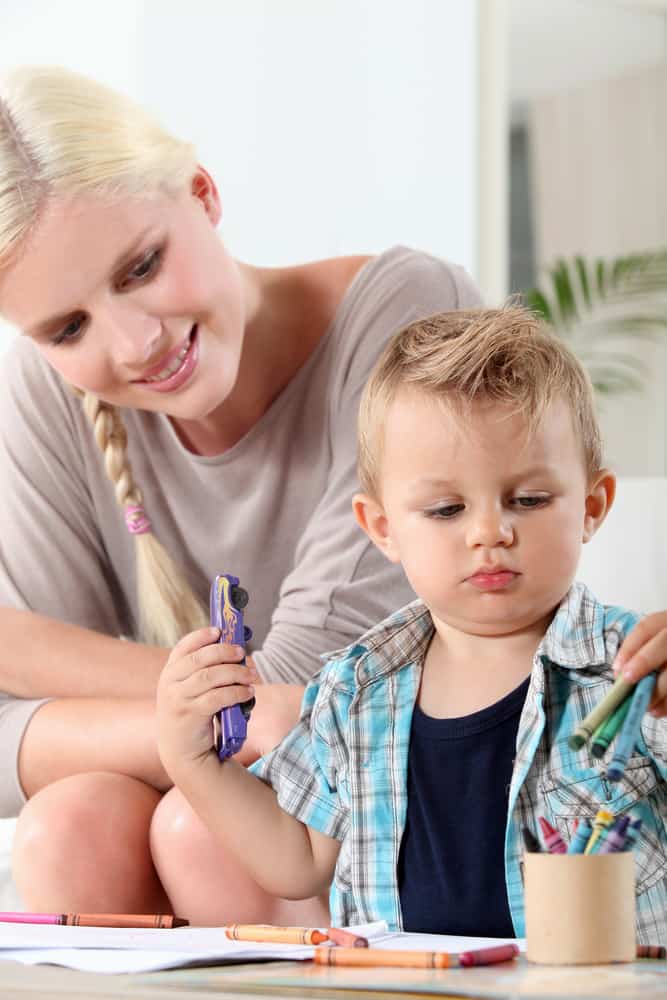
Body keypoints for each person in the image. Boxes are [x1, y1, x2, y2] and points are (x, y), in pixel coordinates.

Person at [0, 65, 485, 923]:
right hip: (226, 800)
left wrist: (25, 649)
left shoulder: (409, 314)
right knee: (68, 824)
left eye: (141, 266)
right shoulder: (51, 394)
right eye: (66, 328)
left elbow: (304, 697)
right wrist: (199, 723)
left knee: (201, 824)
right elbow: (245, 714)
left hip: (399, 808)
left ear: (202, 192)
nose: (135, 343)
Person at [156, 306, 667, 941]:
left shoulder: (636, 669)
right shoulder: (355, 689)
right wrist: (192, 759)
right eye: (447, 509)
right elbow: (295, 861)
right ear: (383, 529)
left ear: (591, 507)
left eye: (529, 500)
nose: (489, 532)